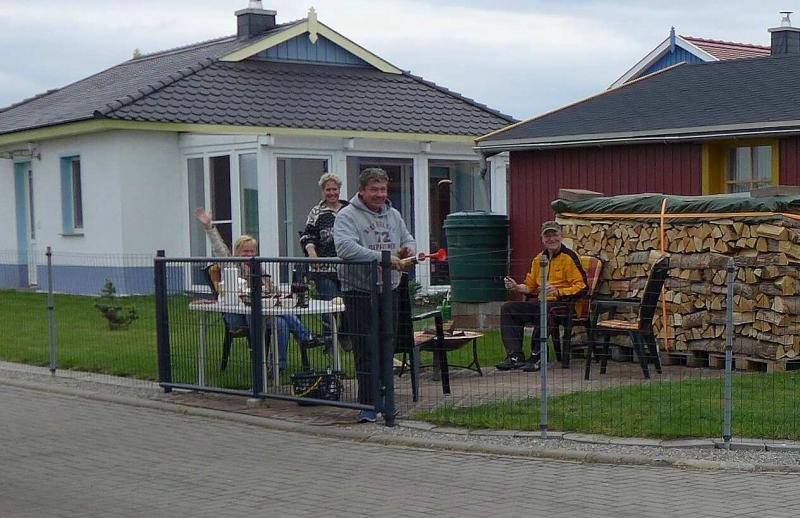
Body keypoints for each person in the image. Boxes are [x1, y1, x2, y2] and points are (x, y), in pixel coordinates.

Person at [334, 168, 415, 423]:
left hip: (389, 289)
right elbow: (345, 248)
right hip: (359, 290)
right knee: (366, 347)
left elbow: (408, 239)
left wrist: (407, 249)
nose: (380, 194)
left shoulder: (394, 214)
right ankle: (368, 404)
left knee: (387, 345)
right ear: (362, 191)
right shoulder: (347, 215)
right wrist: (382, 258)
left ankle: (386, 400)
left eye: (383, 189)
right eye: (374, 190)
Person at [195, 208, 319, 370]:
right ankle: (305, 336)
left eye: (252, 251)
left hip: (264, 311)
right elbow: (219, 248)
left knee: (281, 323)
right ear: (236, 252)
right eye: (245, 251)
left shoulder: (258, 267)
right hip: (240, 314)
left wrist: (284, 295)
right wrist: (209, 227)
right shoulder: (231, 264)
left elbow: (273, 290)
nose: (249, 254)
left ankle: (278, 365)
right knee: (281, 315)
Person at [496, 221, 587, 372]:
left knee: (546, 309)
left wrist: (558, 292)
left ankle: (537, 355)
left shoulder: (569, 257)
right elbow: (530, 287)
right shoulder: (539, 259)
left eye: (554, 235)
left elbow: (582, 287)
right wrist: (516, 286)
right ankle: (515, 357)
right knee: (509, 308)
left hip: (566, 305)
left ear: (561, 236)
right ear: (542, 239)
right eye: (547, 236)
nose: (551, 239)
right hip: (543, 303)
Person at [299, 173, 350, 352]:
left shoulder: (349, 209)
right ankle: (330, 343)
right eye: (328, 189)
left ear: (339, 190)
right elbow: (307, 236)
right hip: (324, 269)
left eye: (334, 189)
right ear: (322, 191)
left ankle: (345, 335)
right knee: (329, 305)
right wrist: (312, 253)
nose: (332, 193)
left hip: (348, 268)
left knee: (349, 303)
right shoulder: (317, 212)